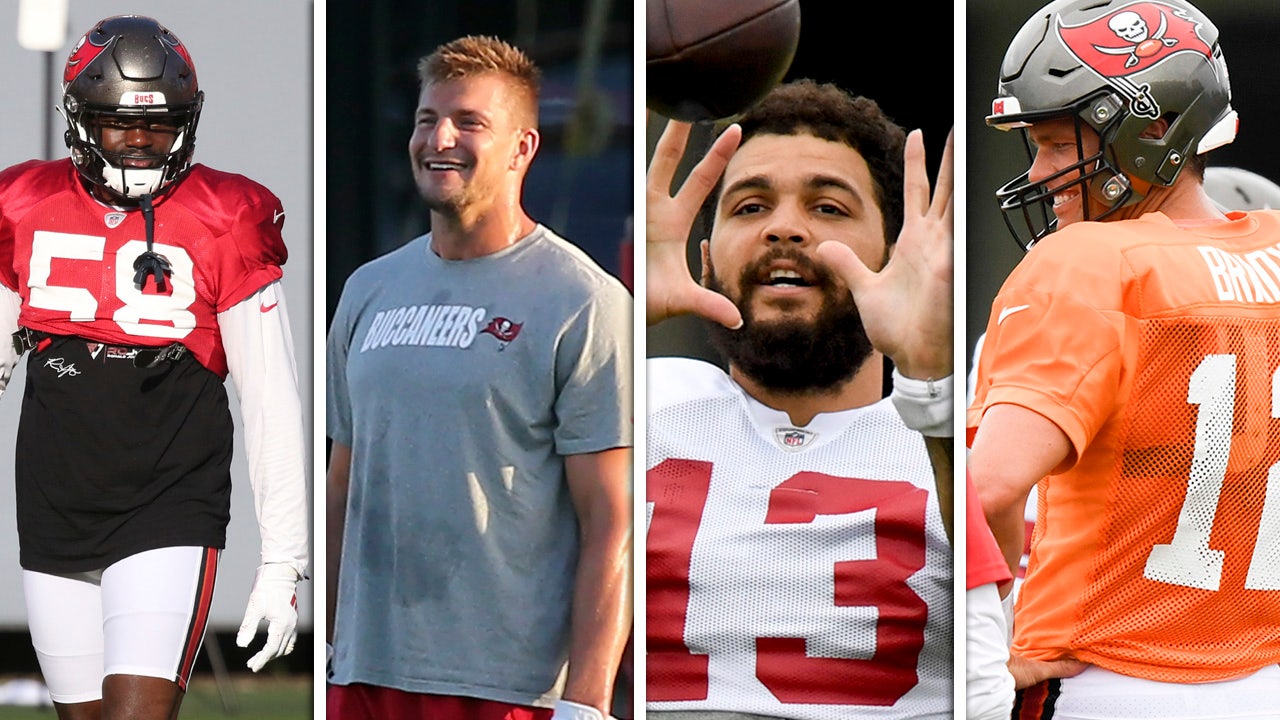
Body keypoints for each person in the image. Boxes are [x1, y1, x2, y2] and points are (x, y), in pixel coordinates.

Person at [968, 0, 1280, 716]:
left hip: (1105, 682)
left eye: (1055, 142)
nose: (1041, 172)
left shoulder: (1087, 264)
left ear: (1150, 132)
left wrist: (990, 656)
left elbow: (987, 494)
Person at [0, 14, 308, 720]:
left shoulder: (225, 215)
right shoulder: (23, 204)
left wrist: (283, 561)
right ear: (80, 119)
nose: (139, 143)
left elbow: (271, 400)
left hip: (167, 509)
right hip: (53, 510)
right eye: (118, 124)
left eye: (157, 125)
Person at [325, 35, 633, 720]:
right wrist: (330, 654)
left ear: (523, 148)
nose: (439, 138)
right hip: (363, 678)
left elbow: (611, 521)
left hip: (506, 690)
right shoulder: (368, 290)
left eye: (469, 122)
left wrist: (587, 701)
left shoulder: (583, 300)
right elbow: (342, 487)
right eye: (425, 118)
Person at [645, 79, 954, 719]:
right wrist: (615, 323)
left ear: (894, 259)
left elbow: (1007, 642)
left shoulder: (964, 430)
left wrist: (933, 384)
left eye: (829, 208)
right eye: (751, 207)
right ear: (704, 262)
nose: (785, 228)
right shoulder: (639, 400)